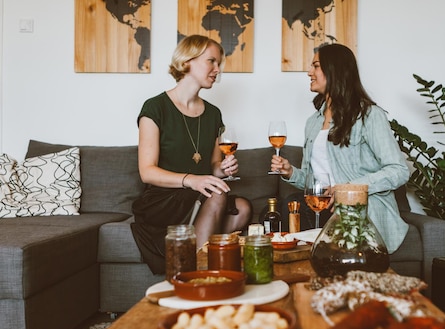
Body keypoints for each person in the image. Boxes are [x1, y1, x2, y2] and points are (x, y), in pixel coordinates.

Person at [270, 43, 410, 254]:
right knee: (291, 205)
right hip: (326, 204)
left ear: (334, 70)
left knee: (341, 214)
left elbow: (398, 170)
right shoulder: (313, 122)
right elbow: (312, 181)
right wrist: (290, 172)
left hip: (359, 205)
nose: (309, 72)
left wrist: (348, 189)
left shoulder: (369, 116)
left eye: (315, 66)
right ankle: (307, 266)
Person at [132, 35, 252, 274]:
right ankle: (195, 274)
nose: (217, 70)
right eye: (211, 62)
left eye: (218, 64)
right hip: (164, 198)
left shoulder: (213, 114)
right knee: (218, 197)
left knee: (243, 208)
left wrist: (222, 170)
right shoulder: (155, 108)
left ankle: (199, 261)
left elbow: (213, 164)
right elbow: (147, 172)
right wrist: (192, 180)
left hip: (200, 195)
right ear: (187, 61)